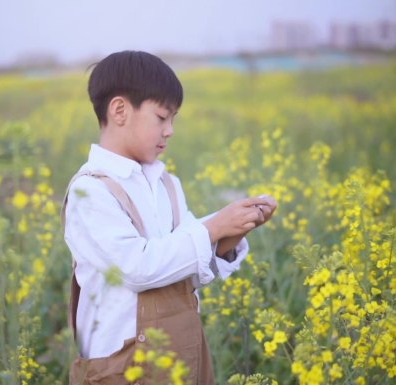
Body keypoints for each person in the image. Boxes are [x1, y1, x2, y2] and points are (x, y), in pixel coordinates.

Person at [61, 50, 276, 385]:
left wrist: (228, 238)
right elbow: (136, 268)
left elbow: (186, 268)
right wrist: (214, 226)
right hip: (120, 366)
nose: (170, 130)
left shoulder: (167, 185)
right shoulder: (91, 191)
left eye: (173, 119)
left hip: (183, 355)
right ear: (120, 111)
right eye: (162, 118)